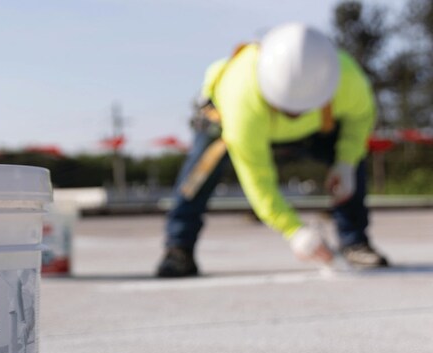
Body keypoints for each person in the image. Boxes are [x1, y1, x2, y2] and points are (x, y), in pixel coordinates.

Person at [157, 22, 389, 278]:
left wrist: (345, 163)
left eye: (302, 107)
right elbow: (258, 180)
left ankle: (354, 241)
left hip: (313, 129)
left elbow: (360, 120)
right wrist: (295, 231)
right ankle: (179, 248)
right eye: (288, 108)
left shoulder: (346, 77)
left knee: (351, 161)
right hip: (228, 120)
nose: (295, 114)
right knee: (200, 172)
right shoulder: (241, 99)